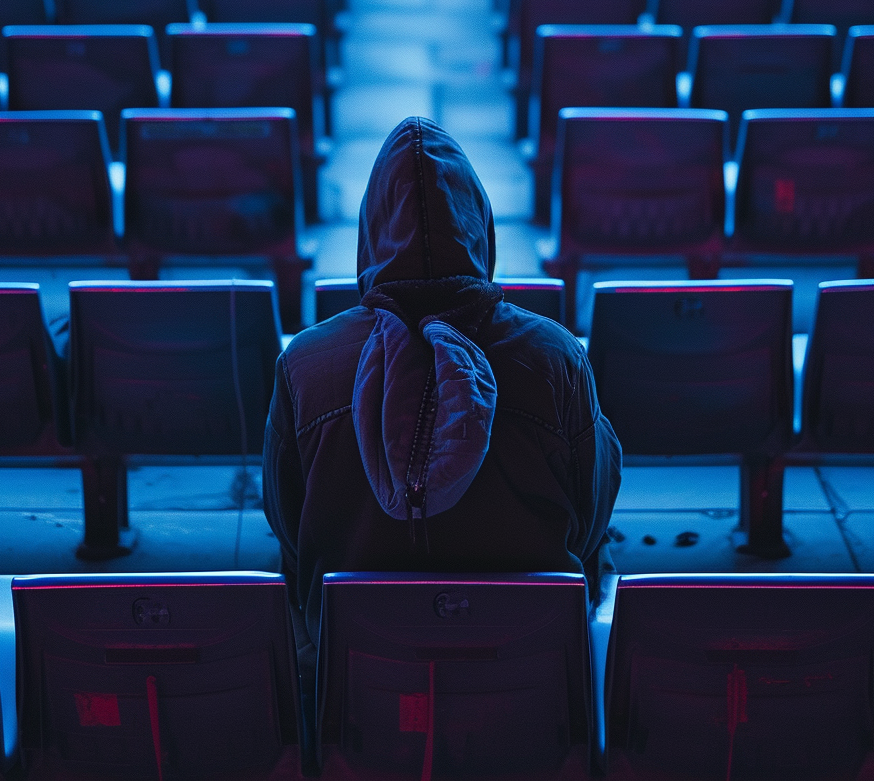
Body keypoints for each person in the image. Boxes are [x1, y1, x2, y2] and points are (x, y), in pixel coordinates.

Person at [263, 116, 621, 676]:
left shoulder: (305, 365)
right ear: (482, 227)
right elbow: (592, 508)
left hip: (360, 673)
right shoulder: (555, 358)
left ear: (368, 232)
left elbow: (287, 523)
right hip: (527, 666)